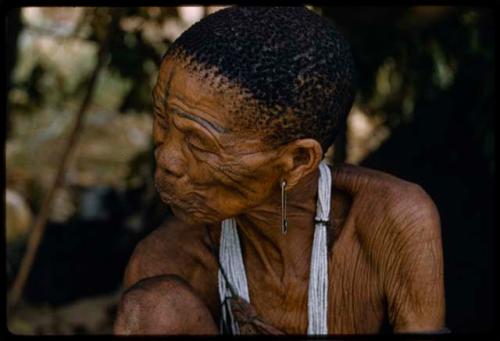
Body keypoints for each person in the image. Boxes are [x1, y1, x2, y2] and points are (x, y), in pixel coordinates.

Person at [113, 6, 446, 335]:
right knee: (154, 308)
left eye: (199, 143)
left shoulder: (392, 220)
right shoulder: (167, 261)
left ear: (298, 160)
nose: (167, 158)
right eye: (162, 119)